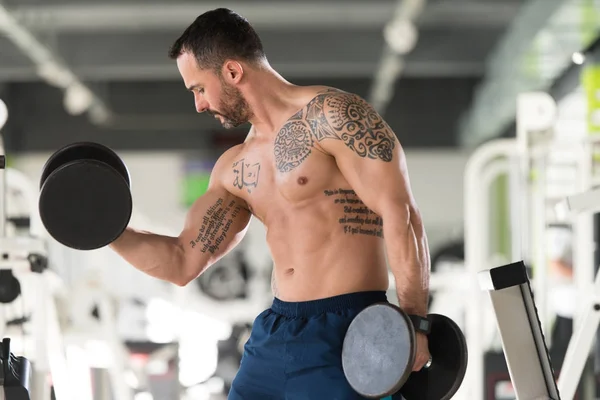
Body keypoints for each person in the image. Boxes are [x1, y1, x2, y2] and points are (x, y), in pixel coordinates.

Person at [110, 8, 431, 399]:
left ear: (231, 72)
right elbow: (181, 261)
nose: (198, 104)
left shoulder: (332, 116)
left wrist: (416, 322)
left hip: (349, 328)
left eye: (198, 88)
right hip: (276, 332)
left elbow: (402, 214)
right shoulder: (235, 168)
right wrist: (104, 229)